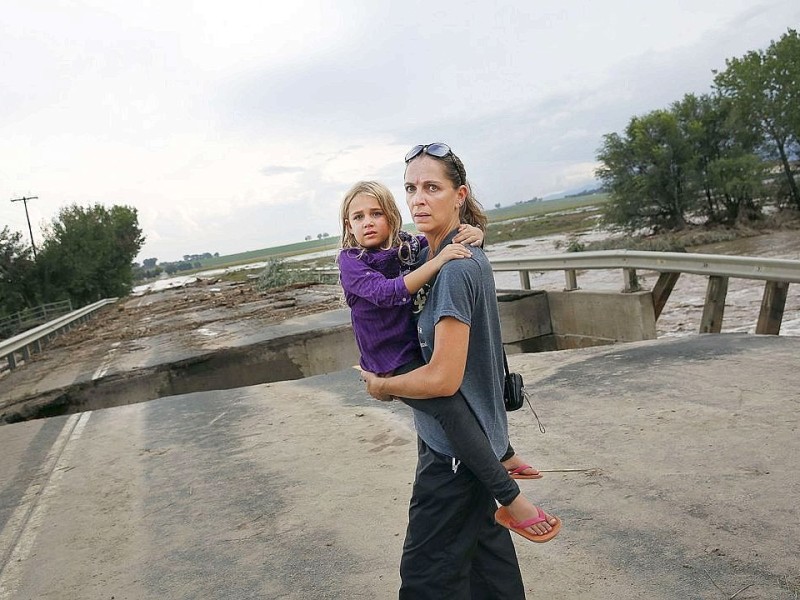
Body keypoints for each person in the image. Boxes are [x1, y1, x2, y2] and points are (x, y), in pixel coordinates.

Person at [361, 144, 561, 599]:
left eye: (432, 187)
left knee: (426, 580)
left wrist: (383, 385)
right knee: (488, 572)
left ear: (459, 195)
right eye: (411, 188)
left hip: (452, 456)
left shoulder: (454, 270)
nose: (418, 199)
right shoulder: (448, 256)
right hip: (474, 447)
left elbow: (441, 380)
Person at [337, 180, 541, 510]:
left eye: (376, 213)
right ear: (349, 225)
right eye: (358, 217)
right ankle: (509, 497)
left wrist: (475, 234)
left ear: (391, 216)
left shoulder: (404, 247)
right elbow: (388, 293)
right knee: (450, 411)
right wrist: (440, 260)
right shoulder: (351, 261)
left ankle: (503, 452)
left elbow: (439, 243)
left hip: (412, 348)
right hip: (389, 361)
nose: (368, 222)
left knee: (461, 393)